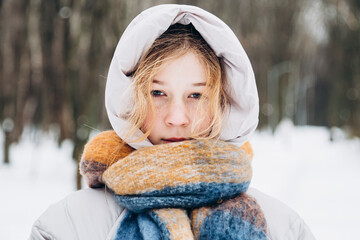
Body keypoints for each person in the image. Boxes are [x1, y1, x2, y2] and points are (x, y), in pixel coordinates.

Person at [30, 4, 315, 240]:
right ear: (130, 101)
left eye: (196, 95)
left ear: (224, 103)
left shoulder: (283, 228)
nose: (177, 117)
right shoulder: (67, 227)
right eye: (157, 93)